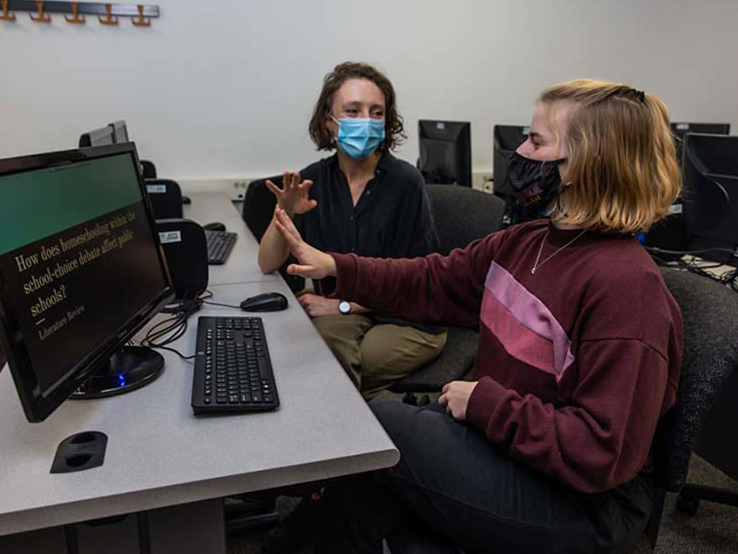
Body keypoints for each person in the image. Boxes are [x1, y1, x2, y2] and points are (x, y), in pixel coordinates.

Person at [271, 79, 684, 553]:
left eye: (536, 141)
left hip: (582, 505)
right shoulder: (528, 242)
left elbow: (602, 451)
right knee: (371, 474)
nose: (520, 151)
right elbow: (431, 280)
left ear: (588, 163)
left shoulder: (626, 287)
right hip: (515, 457)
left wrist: (487, 405)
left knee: (386, 427)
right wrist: (337, 267)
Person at [257, 61, 446, 400]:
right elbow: (267, 264)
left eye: (376, 113)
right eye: (353, 111)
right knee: (315, 359)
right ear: (329, 123)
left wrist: (343, 306)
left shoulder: (406, 182)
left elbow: (418, 280)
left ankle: (358, 435)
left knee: (323, 370)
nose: (366, 121)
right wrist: (283, 212)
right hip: (346, 311)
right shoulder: (312, 179)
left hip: (408, 315)